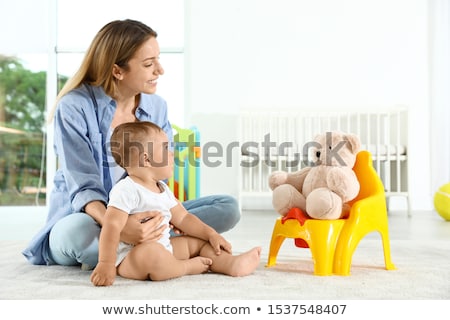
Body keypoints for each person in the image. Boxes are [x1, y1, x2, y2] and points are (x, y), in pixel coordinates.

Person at [22, 19, 241, 269]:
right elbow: (83, 186)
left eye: (158, 60)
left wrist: (153, 218)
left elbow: (158, 177)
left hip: (143, 213)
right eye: (149, 64)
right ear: (118, 70)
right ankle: (151, 249)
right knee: (76, 234)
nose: (160, 70)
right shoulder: (74, 107)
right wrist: (120, 226)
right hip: (91, 218)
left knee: (228, 208)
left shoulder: (156, 107)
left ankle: (145, 247)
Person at [90, 121, 260, 285]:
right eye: (165, 148)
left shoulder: (162, 188)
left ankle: (231, 264)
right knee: (151, 253)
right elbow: (111, 226)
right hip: (133, 258)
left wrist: (210, 234)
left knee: (199, 243)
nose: (172, 153)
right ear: (146, 159)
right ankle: (185, 267)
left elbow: (184, 218)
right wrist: (106, 263)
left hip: (165, 247)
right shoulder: (126, 189)